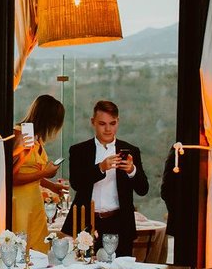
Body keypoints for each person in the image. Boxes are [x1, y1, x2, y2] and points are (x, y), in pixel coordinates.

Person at [67, 100, 148, 258]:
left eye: (112, 123)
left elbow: (143, 189)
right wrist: (100, 168)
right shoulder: (79, 151)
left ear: (118, 122)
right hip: (87, 222)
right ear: (93, 122)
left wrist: (131, 170)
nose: (108, 129)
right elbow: (76, 183)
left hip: (120, 223)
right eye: (102, 123)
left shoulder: (131, 151)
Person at [12, 95, 69, 252]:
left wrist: (52, 186)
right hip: (20, 201)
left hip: (34, 199)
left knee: (39, 246)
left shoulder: (36, 139)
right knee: (22, 245)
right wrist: (44, 172)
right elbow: (11, 177)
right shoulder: (20, 135)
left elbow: (33, 175)